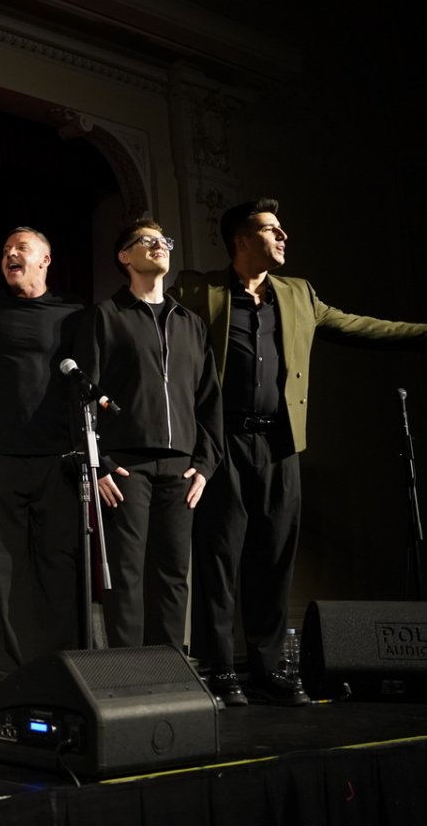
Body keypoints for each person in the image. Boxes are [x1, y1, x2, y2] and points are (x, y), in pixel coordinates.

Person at [173, 199, 427, 706]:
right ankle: (219, 670)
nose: (284, 235)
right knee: (219, 559)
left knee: (273, 559)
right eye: (272, 229)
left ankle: (266, 672)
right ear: (241, 241)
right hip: (222, 443)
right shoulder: (199, 290)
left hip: (280, 444)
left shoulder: (299, 293)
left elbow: (360, 326)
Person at [72, 220, 221, 653]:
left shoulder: (191, 323)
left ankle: (170, 672)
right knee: (125, 575)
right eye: (147, 241)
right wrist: (96, 463)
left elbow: (209, 401)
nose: (160, 246)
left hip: (181, 468)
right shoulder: (105, 316)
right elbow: (82, 396)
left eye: (164, 241)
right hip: (124, 466)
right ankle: (128, 675)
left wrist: (205, 465)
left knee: (173, 574)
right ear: (124, 256)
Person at [0, 228, 85, 688]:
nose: (10, 255)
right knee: (4, 569)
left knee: (59, 564)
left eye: (21, 248)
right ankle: (4, 677)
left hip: (59, 457)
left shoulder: (74, 312)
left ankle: (60, 669)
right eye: (5, 251)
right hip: (0, 454)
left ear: (46, 259)